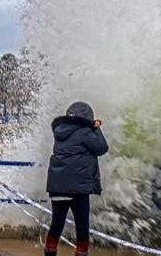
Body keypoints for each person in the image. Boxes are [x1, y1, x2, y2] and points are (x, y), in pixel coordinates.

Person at [45, 101, 109, 256]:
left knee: (57, 223)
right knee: (81, 225)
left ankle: (49, 252)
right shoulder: (85, 132)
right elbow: (102, 148)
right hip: (78, 187)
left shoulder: (59, 131)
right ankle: (81, 253)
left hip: (57, 186)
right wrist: (97, 128)